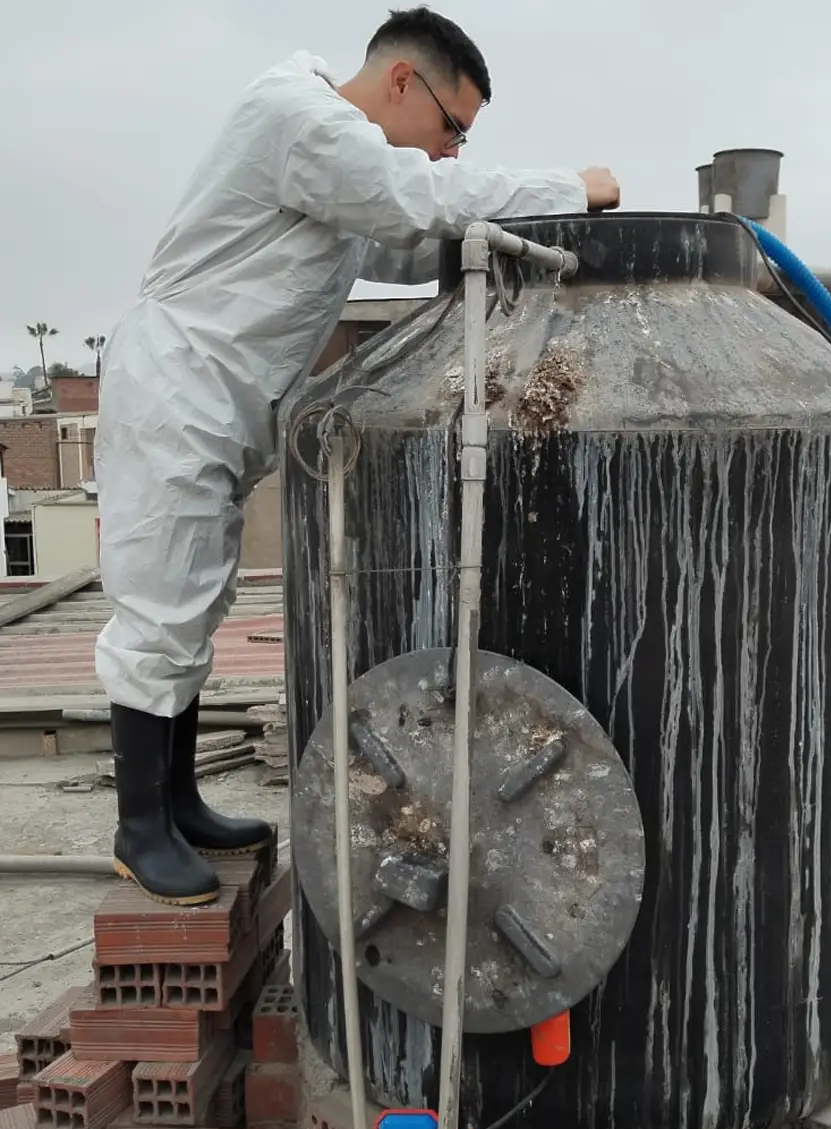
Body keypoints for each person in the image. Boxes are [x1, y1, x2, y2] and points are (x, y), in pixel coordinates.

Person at [93, 6, 620, 908]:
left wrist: (510, 243)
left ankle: (177, 801)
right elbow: (417, 199)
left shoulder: (326, 159)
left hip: (215, 399)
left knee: (194, 598)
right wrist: (567, 186)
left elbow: (405, 239)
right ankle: (139, 827)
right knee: (161, 603)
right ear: (403, 82)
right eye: (451, 128)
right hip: (178, 392)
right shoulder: (303, 121)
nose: (449, 151)